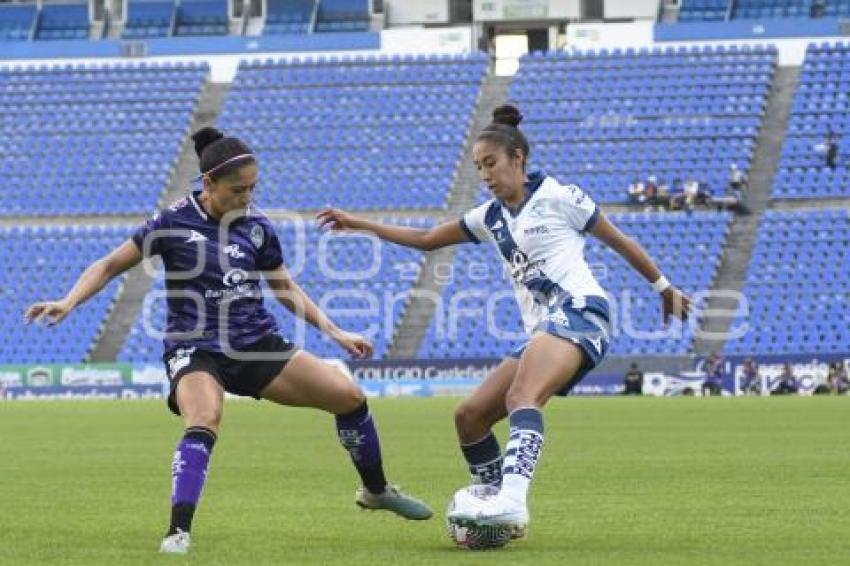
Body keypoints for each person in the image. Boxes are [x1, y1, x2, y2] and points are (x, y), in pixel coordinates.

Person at [23, 127, 432, 555]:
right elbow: (109, 265)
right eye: (238, 189)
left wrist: (334, 331)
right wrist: (68, 301)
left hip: (254, 341)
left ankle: (376, 491)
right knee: (205, 417)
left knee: (348, 396)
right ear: (209, 185)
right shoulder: (172, 221)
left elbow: (285, 288)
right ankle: (177, 532)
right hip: (194, 345)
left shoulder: (257, 227)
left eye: (253, 188)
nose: (247, 197)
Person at [316, 104, 691, 538]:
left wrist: (664, 287)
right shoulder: (488, 217)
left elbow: (619, 241)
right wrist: (356, 222)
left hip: (580, 311)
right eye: (478, 168)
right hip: (545, 328)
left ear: (518, 158)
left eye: (491, 163)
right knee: (470, 416)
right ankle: (495, 511)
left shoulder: (559, 196)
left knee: (522, 396)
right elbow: (426, 239)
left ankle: (511, 503)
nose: (486, 175)